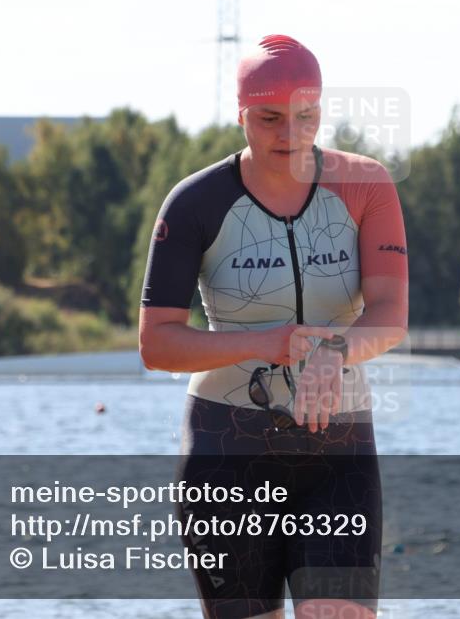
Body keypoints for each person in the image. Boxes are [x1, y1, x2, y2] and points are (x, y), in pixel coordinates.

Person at [139, 34, 408, 619]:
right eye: (269, 119)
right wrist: (273, 343)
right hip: (226, 452)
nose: (290, 135)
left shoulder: (366, 185)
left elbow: (390, 313)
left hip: (339, 455)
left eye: (306, 116)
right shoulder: (194, 203)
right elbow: (157, 343)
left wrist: (333, 350)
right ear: (240, 116)